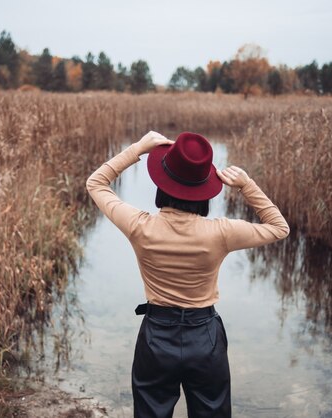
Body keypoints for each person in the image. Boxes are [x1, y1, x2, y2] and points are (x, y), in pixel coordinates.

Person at [86, 131, 290, 417]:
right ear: (204, 189)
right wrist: (246, 185)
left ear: (161, 183)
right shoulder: (221, 232)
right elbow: (280, 228)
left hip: (156, 335)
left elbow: (95, 183)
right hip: (205, 337)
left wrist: (138, 148)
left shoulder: (139, 226)